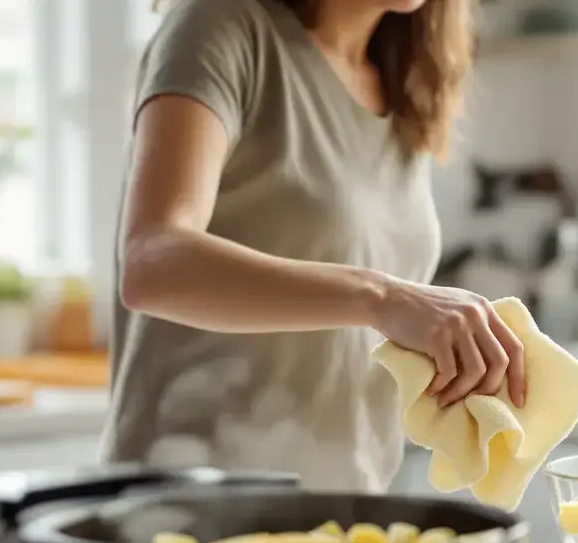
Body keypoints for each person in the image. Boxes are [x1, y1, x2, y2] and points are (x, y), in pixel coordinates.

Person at [104, 0, 526, 492]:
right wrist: (383, 298)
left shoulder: (404, 85)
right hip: (192, 509)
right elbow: (153, 260)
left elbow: (342, 341)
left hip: (344, 512)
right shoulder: (220, 24)